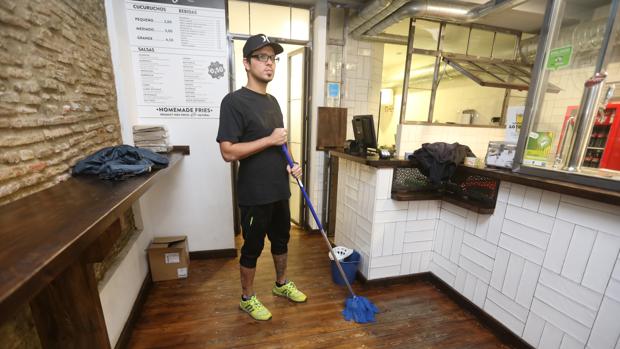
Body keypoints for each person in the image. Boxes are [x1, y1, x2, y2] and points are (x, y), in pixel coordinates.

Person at [216, 34, 307, 321]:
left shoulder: (274, 102)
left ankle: (280, 285)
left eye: (273, 58)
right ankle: (247, 299)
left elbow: (281, 141)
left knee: (282, 242)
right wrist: (268, 140)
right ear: (246, 63)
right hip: (254, 194)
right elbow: (228, 152)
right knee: (252, 249)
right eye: (262, 57)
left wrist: (291, 164)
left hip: (280, 189)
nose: (269, 64)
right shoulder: (233, 102)